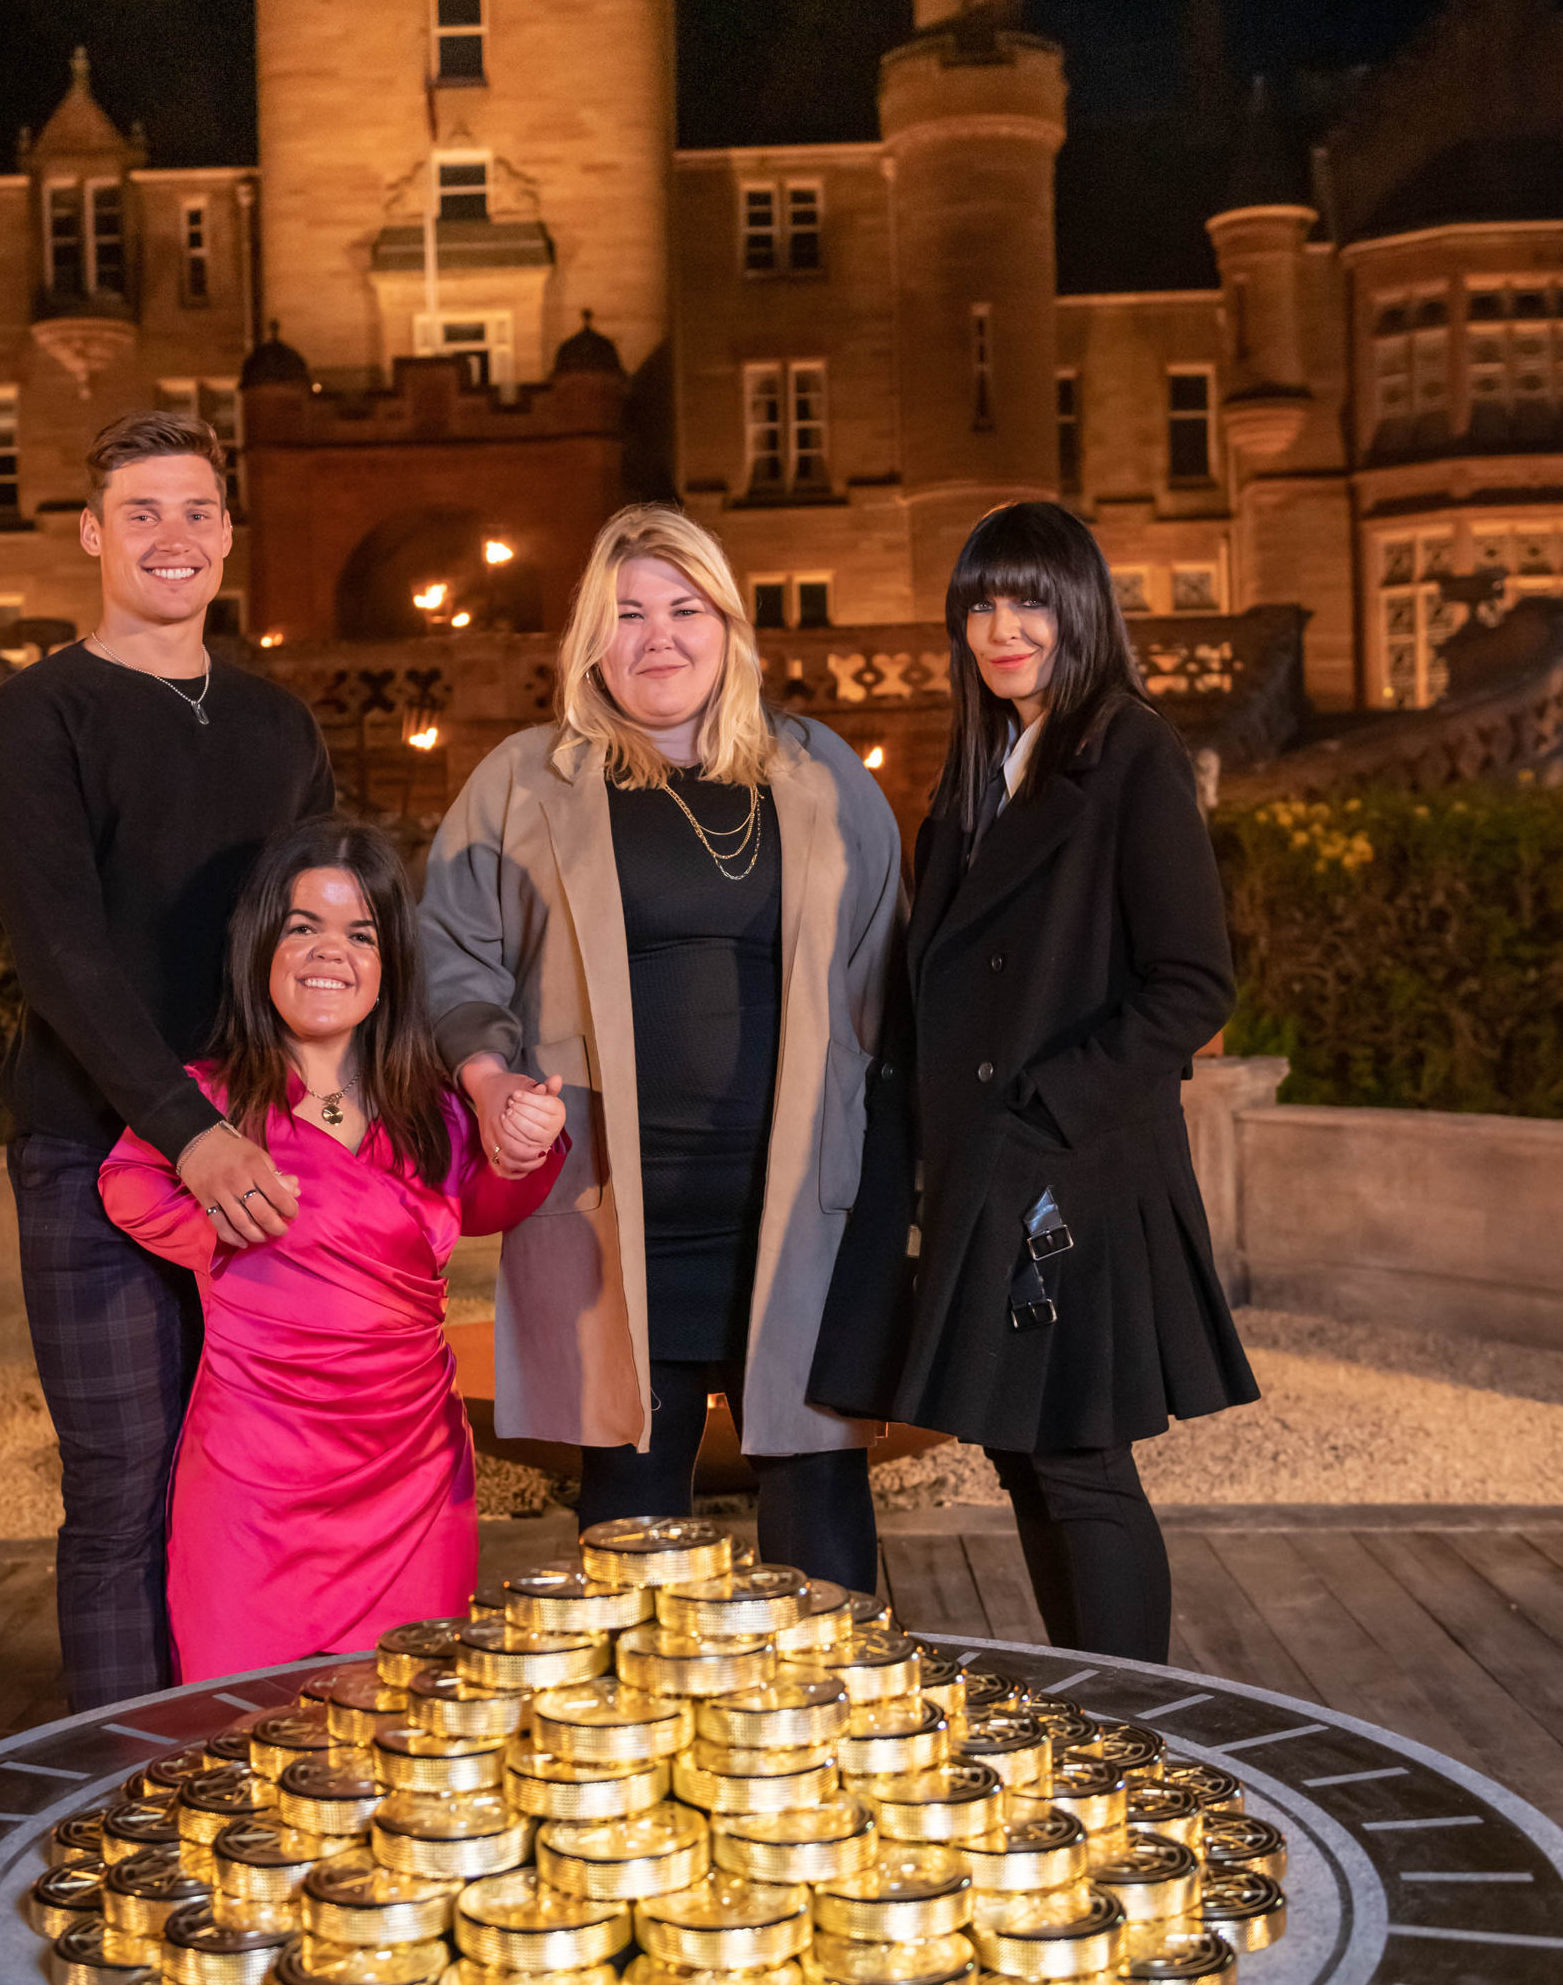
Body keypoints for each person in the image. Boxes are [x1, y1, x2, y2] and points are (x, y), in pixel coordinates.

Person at [419, 504, 903, 1591]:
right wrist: (491, 1078)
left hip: (790, 1210)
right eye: (627, 612)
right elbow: (450, 956)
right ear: (591, 636)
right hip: (616, 1213)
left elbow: (884, 985)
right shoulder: (523, 780)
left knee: (821, 1508)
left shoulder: (822, 777)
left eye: (685, 609)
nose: (657, 638)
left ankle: (823, 1749)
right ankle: (629, 1751)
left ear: (729, 627)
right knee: (628, 1520)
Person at [811, 501, 1257, 1663]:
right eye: (978, 603)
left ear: (1078, 612)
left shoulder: (1126, 752)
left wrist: (1043, 1108)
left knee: (1076, 1457)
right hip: (988, 1175)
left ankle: (1134, 1730)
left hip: (1073, 1174)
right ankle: (1091, 1701)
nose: (1000, 627)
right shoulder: (974, 779)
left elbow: (1189, 984)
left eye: (1026, 602)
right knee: (1021, 1451)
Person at [0, 408, 334, 1709]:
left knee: (247, 1479)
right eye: (141, 513)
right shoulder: (35, 719)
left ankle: (237, 1754)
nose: (170, 537)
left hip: (261, 1153)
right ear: (90, 534)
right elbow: (62, 957)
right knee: (123, 1483)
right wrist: (190, 1128)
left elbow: (327, 937)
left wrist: (338, 1107)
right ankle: (126, 1796)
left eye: (194, 512)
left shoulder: (281, 727)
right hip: (93, 1144)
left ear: (228, 536)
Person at [99, 820, 566, 1679]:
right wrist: (227, 1220)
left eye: (361, 934)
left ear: (390, 964)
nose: (330, 953)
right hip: (250, 1490)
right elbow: (127, 1184)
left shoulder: (434, 1107)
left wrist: (528, 1133)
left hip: (413, 1486)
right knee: (242, 1746)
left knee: (408, 1738)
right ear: (260, 946)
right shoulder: (203, 1105)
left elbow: (502, 1193)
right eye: (302, 926)